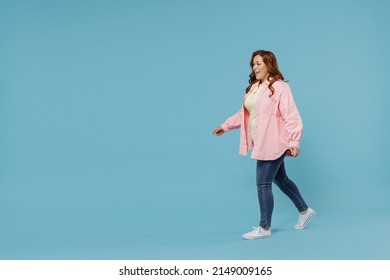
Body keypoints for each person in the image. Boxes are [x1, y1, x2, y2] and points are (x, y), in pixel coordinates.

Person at [212, 50, 315, 240]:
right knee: (280, 180)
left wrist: (294, 142)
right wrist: (225, 126)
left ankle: (264, 227)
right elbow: (244, 113)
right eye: (253, 64)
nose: (255, 67)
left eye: (259, 63)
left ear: (269, 64)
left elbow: (291, 114)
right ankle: (304, 210)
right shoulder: (254, 88)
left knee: (263, 184)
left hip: (275, 142)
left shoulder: (279, 87)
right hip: (262, 142)